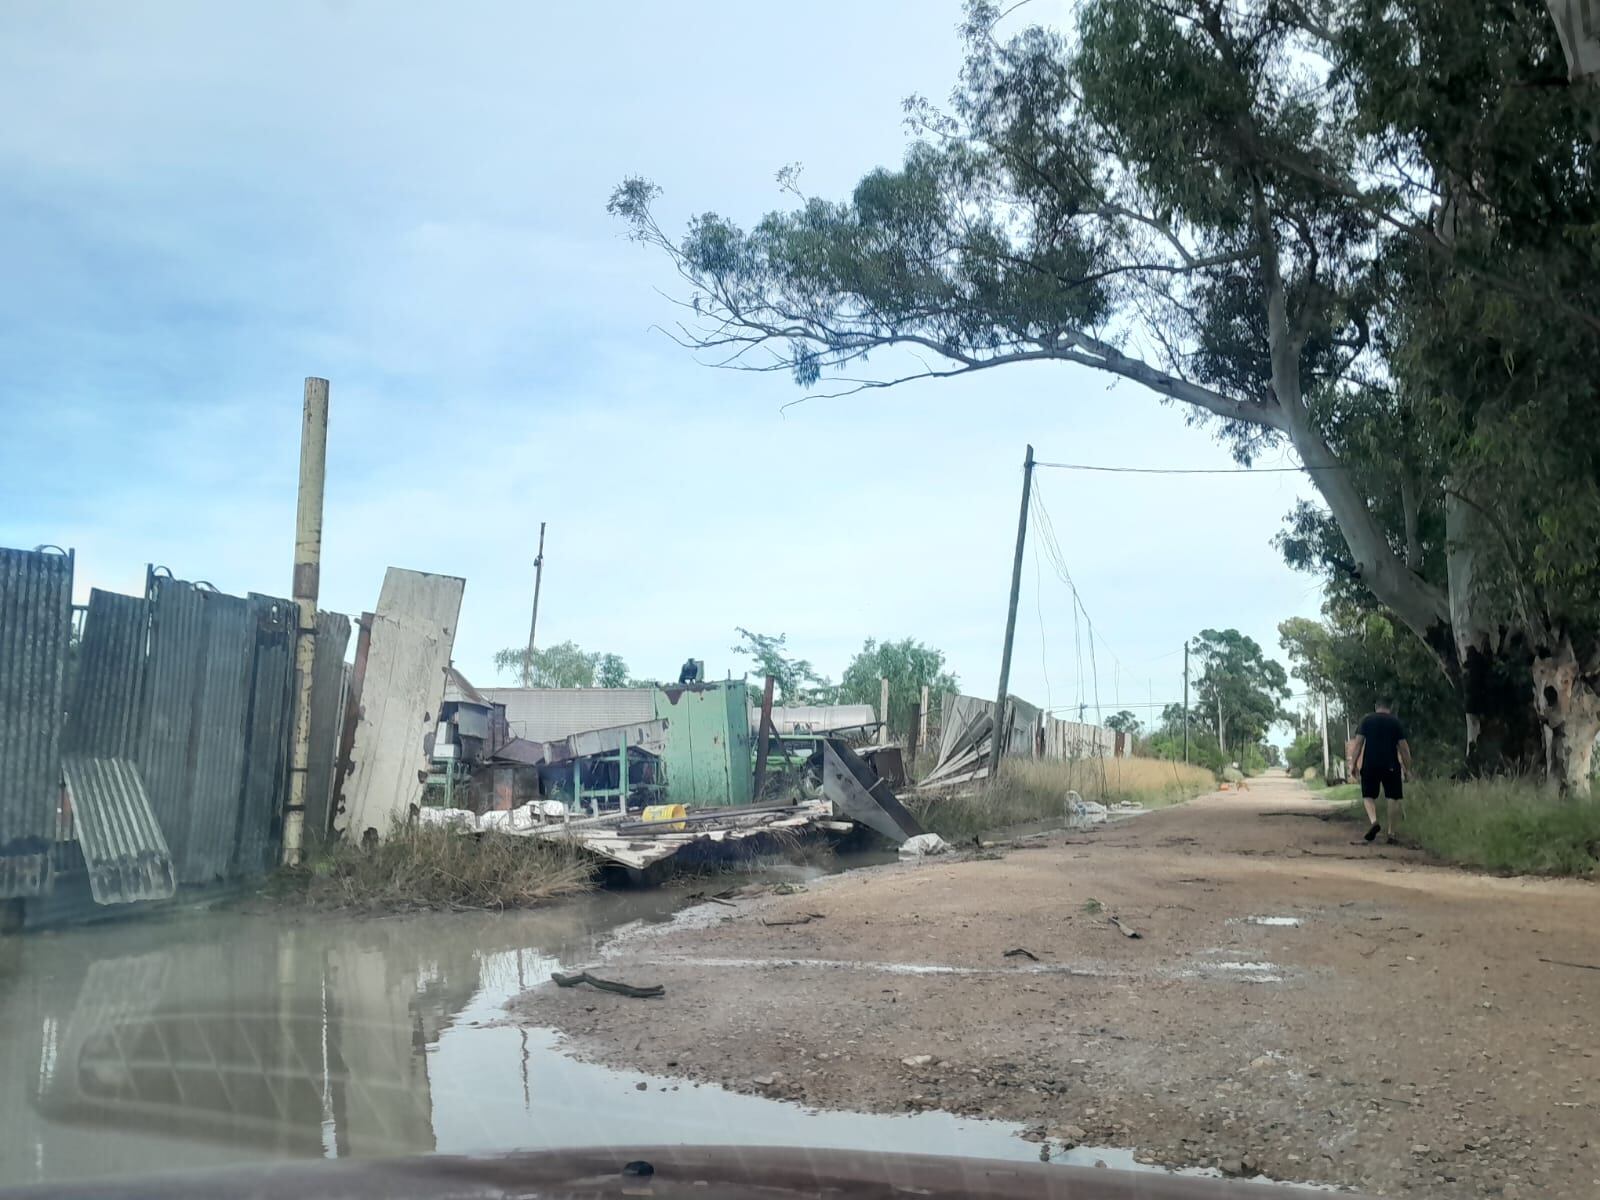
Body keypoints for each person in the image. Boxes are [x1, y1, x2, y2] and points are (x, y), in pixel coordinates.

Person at [1348, 698, 1412, 844]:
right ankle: (1391, 833)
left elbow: (1358, 744)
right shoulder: (1395, 722)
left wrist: (1353, 765)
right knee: (1393, 797)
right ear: (1390, 708)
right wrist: (1407, 768)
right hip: (1391, 764)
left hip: (1370, 763)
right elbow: (1404, 748)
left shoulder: (1367, 720)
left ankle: (1374, 821)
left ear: (1376, 707)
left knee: (1368, 795)